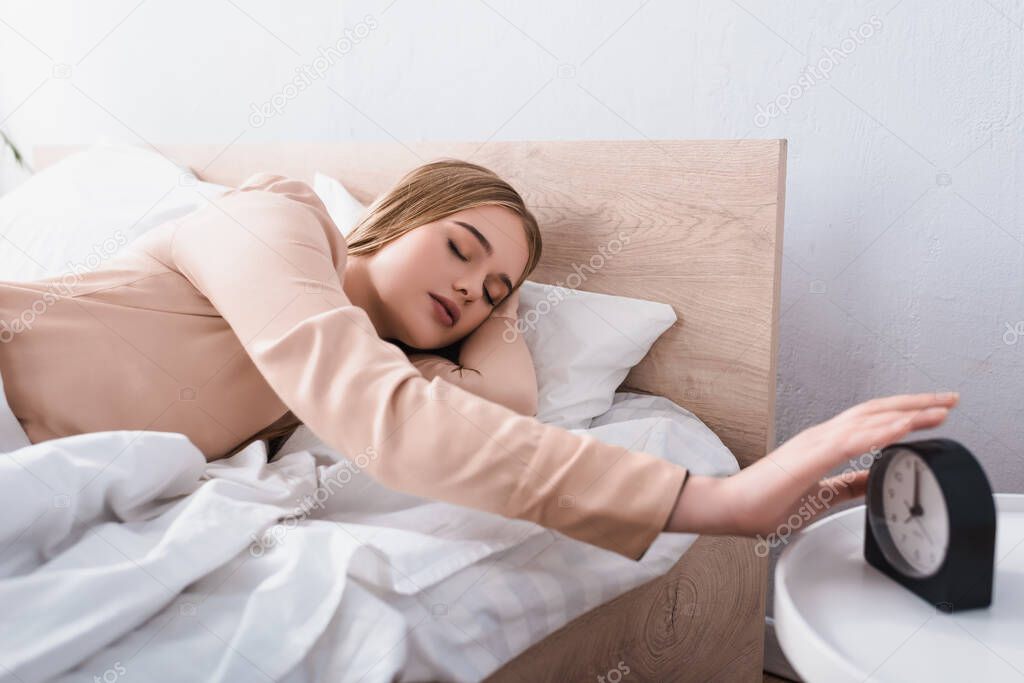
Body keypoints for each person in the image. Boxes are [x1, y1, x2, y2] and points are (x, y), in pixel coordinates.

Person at [0, 159, 959, 560]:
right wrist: (710, 502)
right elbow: (373, 404)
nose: (474, 290)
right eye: (460, 247)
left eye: (497, 291)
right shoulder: (272, 219)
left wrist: (494, 310)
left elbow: (497, 418)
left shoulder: (382, 362)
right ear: (393, 218)